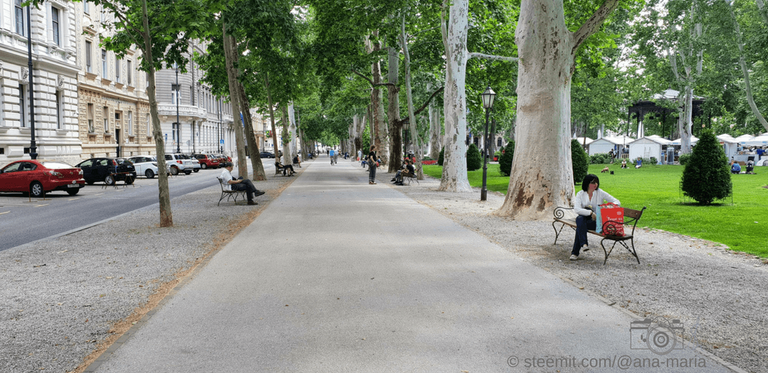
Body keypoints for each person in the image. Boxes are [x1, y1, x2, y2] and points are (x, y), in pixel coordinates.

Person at [570, 174, 620, 261]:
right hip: (586, 220)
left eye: (596, 182)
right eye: (593, 182)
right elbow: (577, 209)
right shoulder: (581, 194)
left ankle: (576, 251)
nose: (595, 184)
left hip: (598, 223)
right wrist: (590, 213)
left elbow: (617, 202)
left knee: (580, 225)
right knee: (580, 219)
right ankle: (583, 245)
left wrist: (606, 207)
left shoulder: (600, 193)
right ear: (587, 183)